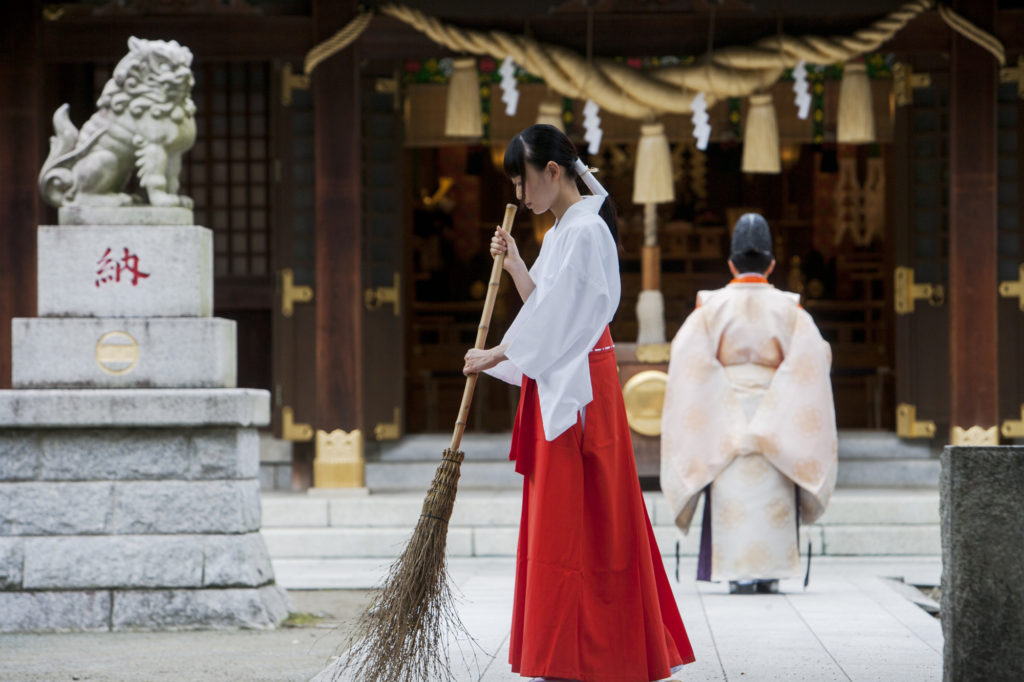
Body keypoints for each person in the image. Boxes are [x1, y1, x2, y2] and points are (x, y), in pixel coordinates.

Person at [463, 124, 694, 682]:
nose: (521, 196)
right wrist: (518, 263)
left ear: (552, 172)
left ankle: (591, 648)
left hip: (583, 385)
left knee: (587, 517)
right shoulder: (568, 228)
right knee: (567, 518)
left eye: (523, 183)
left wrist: (498, 353)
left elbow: (564, 320)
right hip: (566, 375)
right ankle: (568, 648)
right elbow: (548, 305)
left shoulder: (587, 230)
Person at [660, 213, 838, 594]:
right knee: (771, 487)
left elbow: (685, 360)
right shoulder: (791, 310)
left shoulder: (710, 309)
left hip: (723, 416)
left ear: (730, 264)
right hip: (781, 417)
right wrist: (772, 410)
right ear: (772, 264)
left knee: (732, 489)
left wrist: (724, 403)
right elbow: (814, 359)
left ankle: (736, 571)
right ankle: (769, 570)